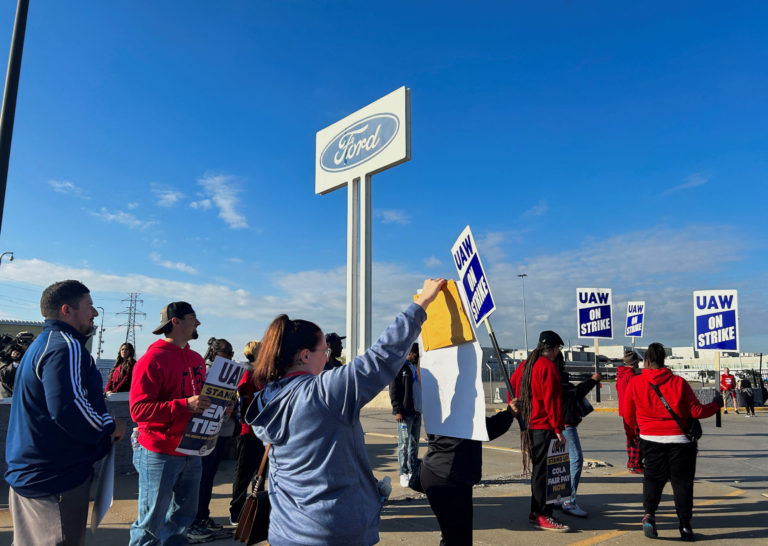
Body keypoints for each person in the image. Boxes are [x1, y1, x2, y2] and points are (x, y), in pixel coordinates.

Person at [245, 278, 445, 545]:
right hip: (333, 531)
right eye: (323, 350)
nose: (327, 357)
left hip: (286, 530)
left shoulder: (266, 398)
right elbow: (380, 357)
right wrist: (421, 304)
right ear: (305, 356)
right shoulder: (322, 393)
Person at [5, 280, 126, 545]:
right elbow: (69, 409)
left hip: (34, 474)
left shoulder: (43, 344)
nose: (94, 313)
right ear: (66, 310)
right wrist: (110, 426)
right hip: (55, 480)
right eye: (89, 306)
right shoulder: (66, 346)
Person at [129, 301, 213, 545]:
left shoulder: (197, 359)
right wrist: (185, 404)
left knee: (182, 519)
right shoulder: (150, 360)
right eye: (193, 317)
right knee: (150, 523)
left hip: (192, 448)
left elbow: (199, 399)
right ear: (175, 321)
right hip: (159, 451)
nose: (198, 323)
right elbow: (138, 410)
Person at [622, 342, 722, 541]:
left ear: (647, 361)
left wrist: (632, 437)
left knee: (652, 479)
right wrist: (716, 405)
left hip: (650, 439)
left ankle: (649, 515)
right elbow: (697, 411)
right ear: (663, 361)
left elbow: (627, 415)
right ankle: (685, 526)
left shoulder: (636, 383)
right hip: (680, 440)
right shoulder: (679, 382)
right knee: (682, 483)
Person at [421, 403, 517, 545]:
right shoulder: (457, 401)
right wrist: (508, 414)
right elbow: (485, 429)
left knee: (451, 537)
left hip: (437, 471)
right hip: (449, 477)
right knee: (458, 539)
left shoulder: (439, 397)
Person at [510, 330, 569, 533]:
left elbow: (512, 384)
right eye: (558, 349)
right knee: (544, 474)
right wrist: (558, 429)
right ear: (552, 349)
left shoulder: (526, 364)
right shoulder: (548, 367)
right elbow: (552, 401)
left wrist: (520, 407)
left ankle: (536, 511)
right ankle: (543, 514)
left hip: (529, 426)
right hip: (544, 427)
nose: (557, 352)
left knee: (538, 471)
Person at [189, 337, 238, 537]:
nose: (228, 358)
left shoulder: (221, 372)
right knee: (202, 478)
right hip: (203, 432)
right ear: (214, 353)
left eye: (230, 354)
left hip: (217, 430)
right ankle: (196, 520)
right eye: (225, 354)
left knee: (207, 478)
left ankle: (202, 516)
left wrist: (229, 408)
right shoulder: (205, 371)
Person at [554, 352, 599, 518]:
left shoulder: (553, 378)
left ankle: (560, 497)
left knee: (562, 461)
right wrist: (592, 381)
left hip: (559, 422)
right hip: (565, 423)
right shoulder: (558, 379)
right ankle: (569, 501)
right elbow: (575, 393)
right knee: (576, 459)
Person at [229, 340, 266, 524]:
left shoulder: (265, 375)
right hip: (248, 432)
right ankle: (236, 512)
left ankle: (256, 513)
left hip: (264, 435)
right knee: (243, 475)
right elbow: (243, 405)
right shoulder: (247, 374)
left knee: (260, 476)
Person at [389, 342, 422, 487]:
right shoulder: (400, 368)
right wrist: (397, 410)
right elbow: (394, 390)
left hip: (416, 412)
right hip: (405, 413)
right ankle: (403, 472)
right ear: (409, 353)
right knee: (404, 444)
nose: (417, 356)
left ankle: (413, 470)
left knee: (414, 443)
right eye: (416, 353)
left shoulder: (417, 368)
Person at [617, 349, 643, 473]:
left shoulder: (620, 375)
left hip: (624, 409)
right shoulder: (631, 376)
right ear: (635, 362)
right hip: (633, 410)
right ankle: (635, 464)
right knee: (636, 437)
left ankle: (631, 462)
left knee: (630, 436)